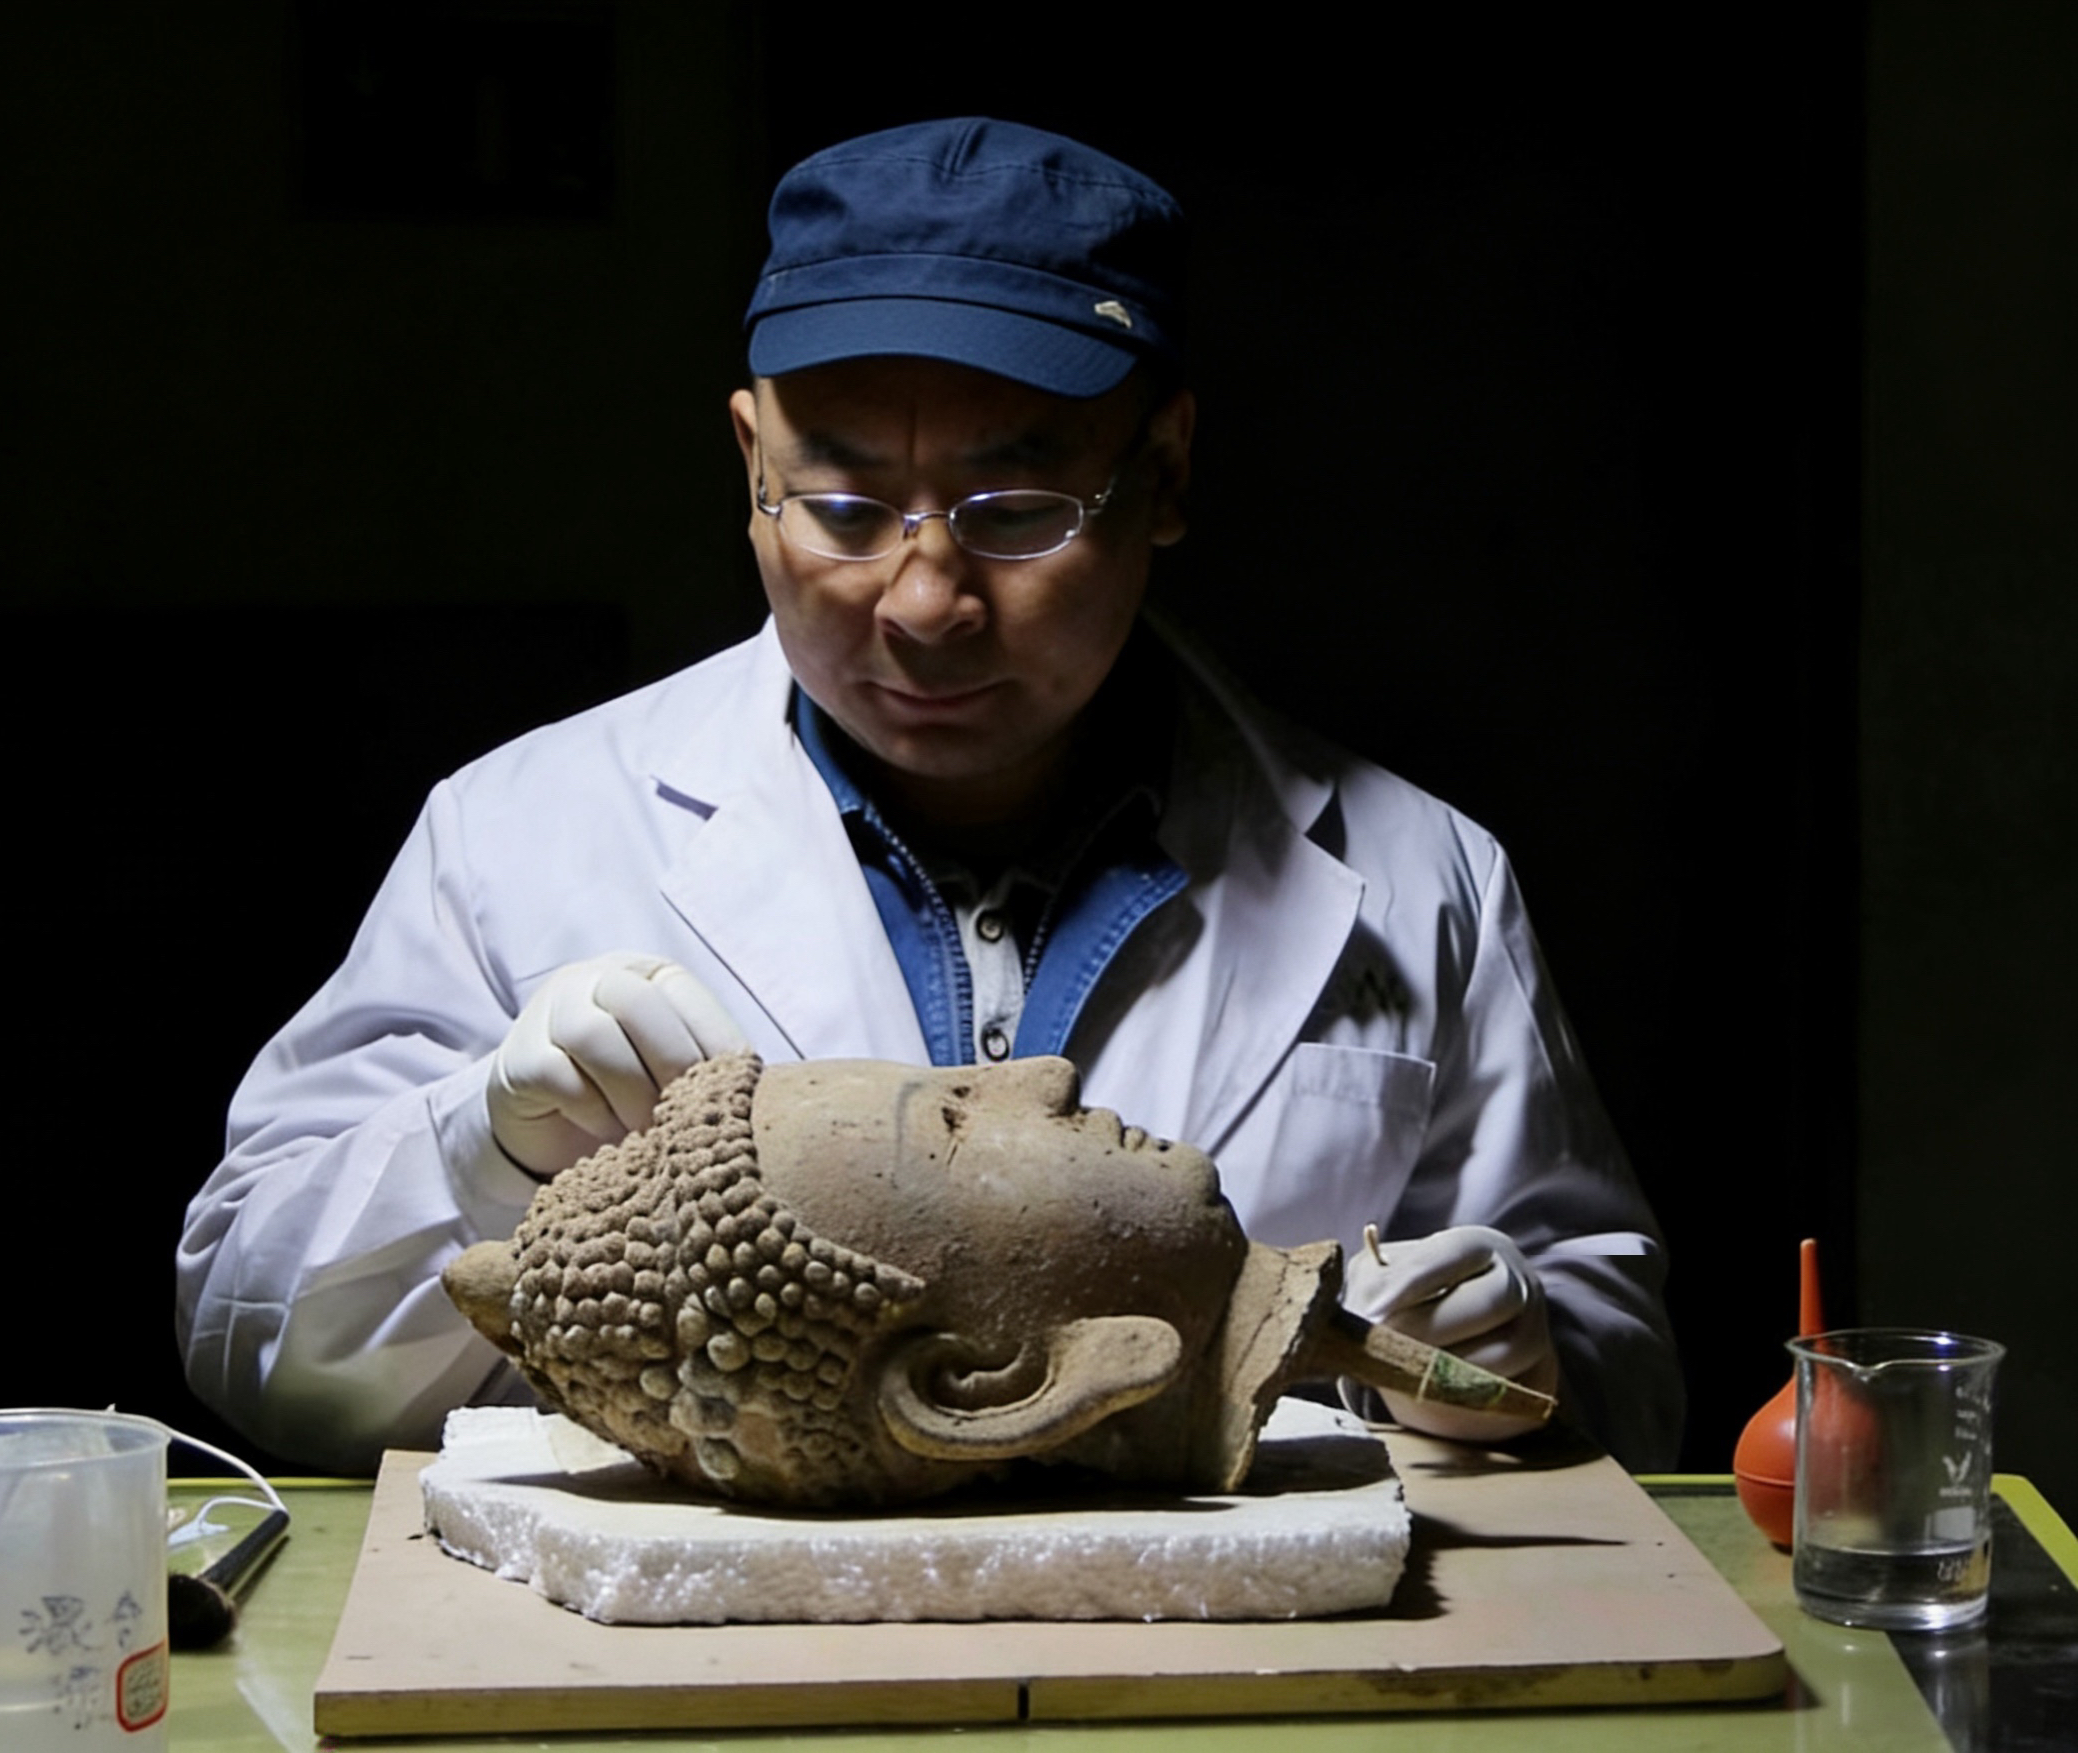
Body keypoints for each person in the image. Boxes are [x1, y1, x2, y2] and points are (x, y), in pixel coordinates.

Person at [177, 117, 1683, 1476]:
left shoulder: (1423, 878)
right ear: (750, 462)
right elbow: (254, 1344)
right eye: (841, 508)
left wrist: (1522, 1351)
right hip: (714, 1665)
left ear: (1164, 472)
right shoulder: (521, 836)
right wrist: (483, 1151)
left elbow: (1627, 1386)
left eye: (1016, 510)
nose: (922, 602)